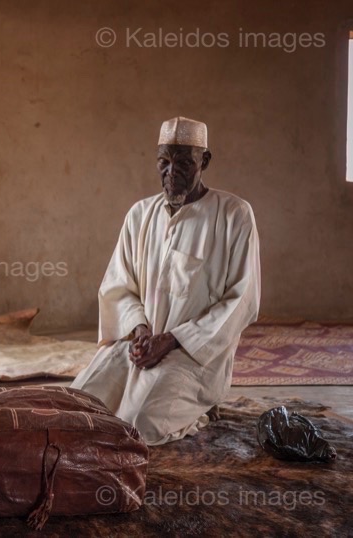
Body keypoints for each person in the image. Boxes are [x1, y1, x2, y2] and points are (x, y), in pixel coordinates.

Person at [71, 117, 261, 445]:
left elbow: (242, 300)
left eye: (184, 162)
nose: (172, 172)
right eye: (164, 161)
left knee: (142, 425)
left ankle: (200, 407)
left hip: (193, 355)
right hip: (137, 346)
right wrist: (142, 331)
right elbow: (119, 285)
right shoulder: (139, 215)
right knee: (75, 407)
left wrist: (172, 340)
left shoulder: (234, 214)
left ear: (205, 161)